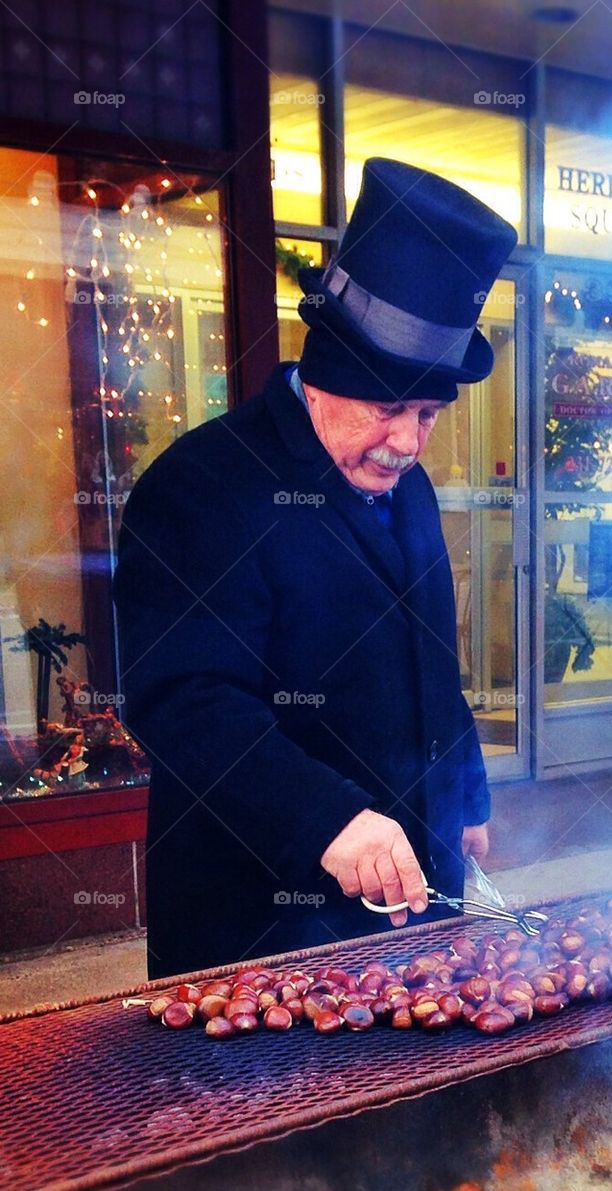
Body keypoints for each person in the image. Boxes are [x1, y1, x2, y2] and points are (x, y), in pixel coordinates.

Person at [114, 158, 518, 978]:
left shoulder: (404, 487)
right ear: (326, 376)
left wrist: (465, 794)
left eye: (429, 415)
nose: (407, 443)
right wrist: (328, 819)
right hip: (259, 923)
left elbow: (432, 658)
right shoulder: (201, 486)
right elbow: (182, 701)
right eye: (388, 409)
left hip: (414, 906)